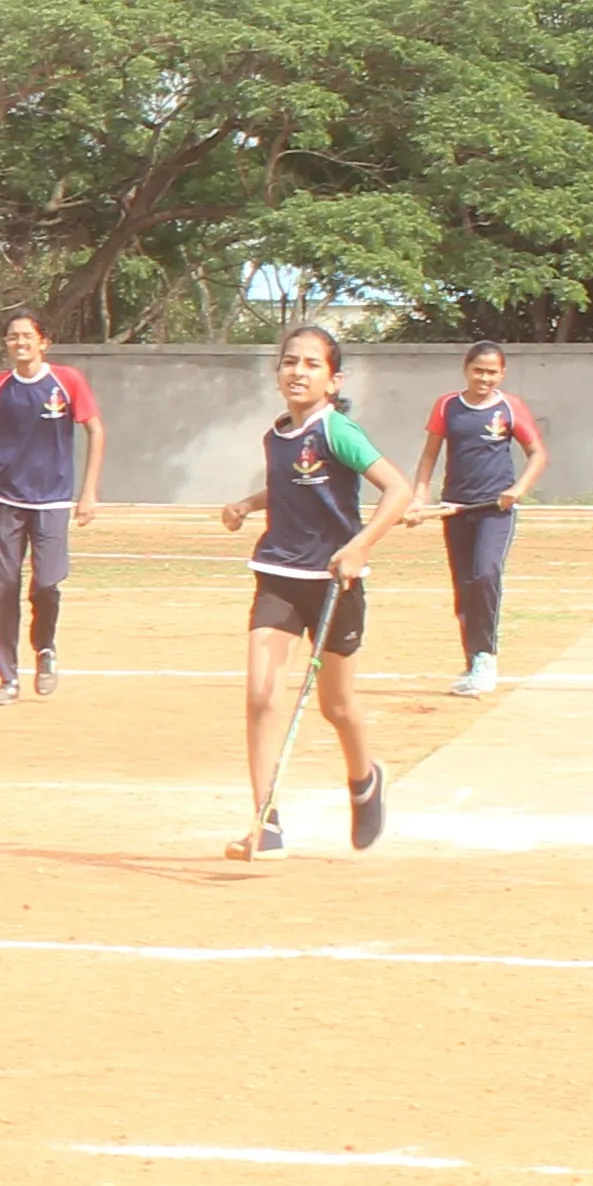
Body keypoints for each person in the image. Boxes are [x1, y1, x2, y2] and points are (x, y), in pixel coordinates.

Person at [212, 325, 414, 860]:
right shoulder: (278, 433)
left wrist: (361, 546)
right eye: (289, 361)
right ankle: (265, 821)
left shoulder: (338, 430)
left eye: (311, 364)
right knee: (260, 695)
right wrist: (247, 506)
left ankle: (366, 779)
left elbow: (398, 489)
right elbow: (290, 485)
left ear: (332, 378)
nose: (297, 371)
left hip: (334, 582)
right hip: (278, 572)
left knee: (338, 705)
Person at [0, 309, 99, 703]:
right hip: (6, 500)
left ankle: (45, 648)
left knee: (46, 583)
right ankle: (8, 678)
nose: (20, 342)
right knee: (3, 588)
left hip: (53, 500)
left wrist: (89, 491)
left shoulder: (68, 381)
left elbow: (95, 429)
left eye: (27, 335)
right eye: (12, 337)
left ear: (44, 341)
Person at [414, 342, 546, 696]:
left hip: (495, 510)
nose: (484, 377)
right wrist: (418, 497)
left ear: (501, 374)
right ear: (466, 369)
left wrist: (517, 489)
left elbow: (537, 454)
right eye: (478, 370)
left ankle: (486, 657)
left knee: (485, 574)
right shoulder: (447, 406)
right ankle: (473, 659)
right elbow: (429, 456)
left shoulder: (510, 408)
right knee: (465, 587)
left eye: (491, 372)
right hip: (455, 508)